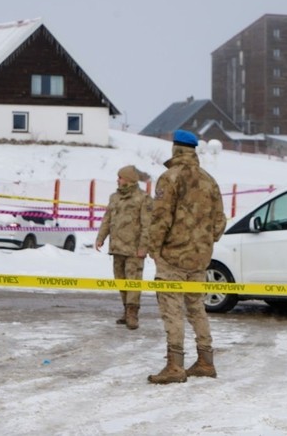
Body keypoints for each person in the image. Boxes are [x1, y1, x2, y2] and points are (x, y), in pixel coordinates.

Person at [147, 130, 227, 384]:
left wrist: (155, 249)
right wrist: (204, 243)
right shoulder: (209, 181)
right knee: (196, 309)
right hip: (200, 259)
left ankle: (175, 366)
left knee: (172, 311)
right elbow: (220, 222)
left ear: (174, 149)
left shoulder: (169, 178)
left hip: (172, 257)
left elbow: (160, 218)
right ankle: (205, 361)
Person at [95, 165, 152, 330]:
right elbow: (107, 219)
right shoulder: (114, 198)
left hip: (134, 250)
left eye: (120, 177)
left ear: (129, 180)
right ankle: (126, 310)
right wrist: (101, 238)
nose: (118, 180)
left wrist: (143, 247)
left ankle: (133, 313)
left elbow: (147, 225)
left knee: (133, 282)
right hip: (117, 248)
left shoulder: (143, 198)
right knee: (120, 281)